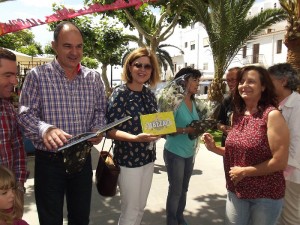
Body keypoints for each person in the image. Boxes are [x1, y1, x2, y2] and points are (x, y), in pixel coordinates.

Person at [17, 21, 107, 225]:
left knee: (81, 217)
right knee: (50, 219)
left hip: (82, 160)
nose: (74, 52)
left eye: (79, 46)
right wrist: (45, 129)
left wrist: (97, 128)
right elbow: (24, 115)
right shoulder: (37, 76)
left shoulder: (93, 78)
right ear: (54, 46)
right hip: (50, 162)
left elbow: (100, 111)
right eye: (67, 46)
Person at [202, 65, 290, 225]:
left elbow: (280, 162)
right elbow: (236, 153)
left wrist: (245, 171)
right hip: (236, 191)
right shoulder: (237, 115)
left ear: (263, 86)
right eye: (242, 81)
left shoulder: (272, 116)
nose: (244, 85)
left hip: (265, 195)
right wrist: (214, 148)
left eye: (251, 81)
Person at [106, 47, 161, 225]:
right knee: (130, 210)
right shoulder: (121, 93)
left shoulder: (150, 95)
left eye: (147, 66)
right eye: (138, 65)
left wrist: (159, 132)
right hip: (128, 161)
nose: (143, 70)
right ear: (130, 67)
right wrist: (135, 138)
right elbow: (109, 130)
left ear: (152, 71)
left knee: (140, 207)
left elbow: (154, 123)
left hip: (148, 158)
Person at [163, 67, 202, 225]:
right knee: (176, 190)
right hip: (175, 152)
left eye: (198, 80)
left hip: (189, 152)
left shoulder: (194, 101)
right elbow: (164, 127)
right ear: (183, 81)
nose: (197, 84)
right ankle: (171, 220)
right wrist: (186, 130)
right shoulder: (174, 101)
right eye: (194, 80)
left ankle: (179, 216)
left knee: (184, 189)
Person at [268, 63, 300, 225]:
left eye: (269, 80)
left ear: (284, 81)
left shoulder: (297, 105)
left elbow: (296, 142)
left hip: (292, 174)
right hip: (283, 171)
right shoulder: (279, 105)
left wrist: (282, 172)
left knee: (290, 218)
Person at [0, 48, 28, 206]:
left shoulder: (8, 109)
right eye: (8, 75)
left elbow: (18, 151)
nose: (15, 81)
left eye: (15, 75)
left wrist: (18, 190)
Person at [217, 67, 240, 146]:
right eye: (228, 81)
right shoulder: (227, 100)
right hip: (227, 144)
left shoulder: (250, 102)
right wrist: (223, 128)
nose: (230, 83)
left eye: (233, 80)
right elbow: (219, 122)